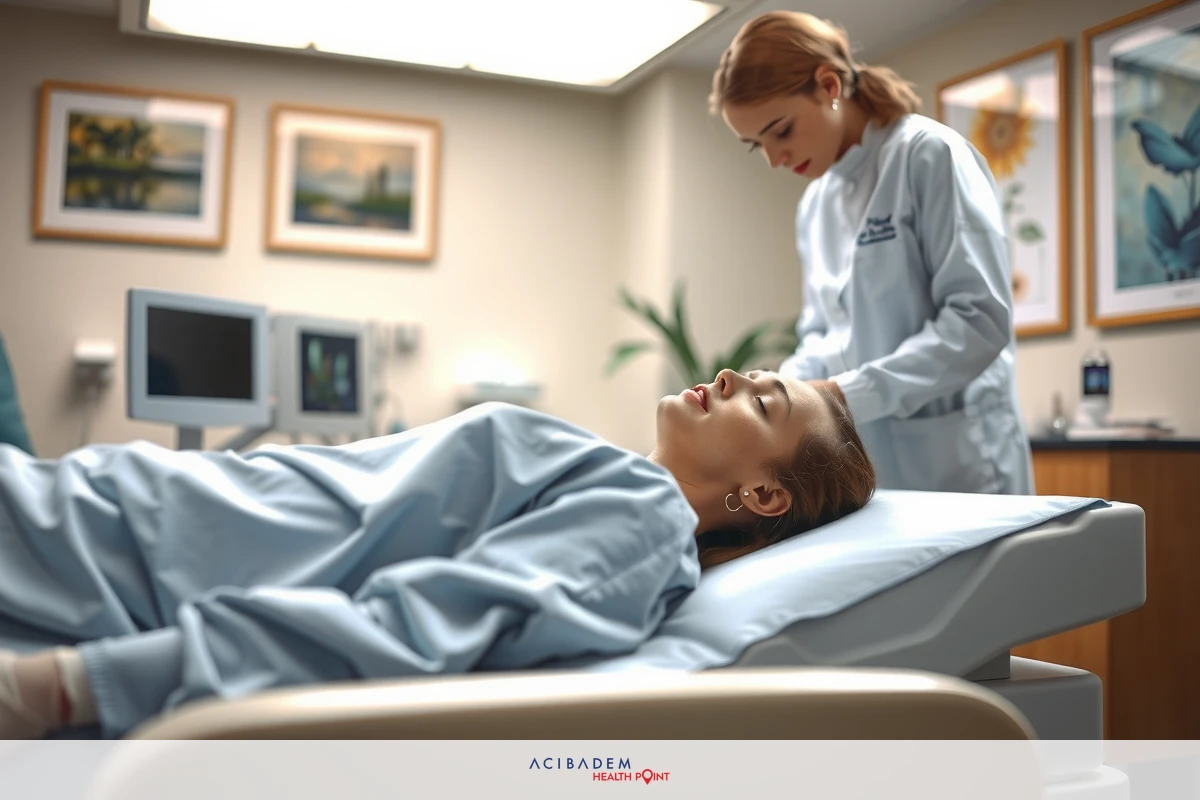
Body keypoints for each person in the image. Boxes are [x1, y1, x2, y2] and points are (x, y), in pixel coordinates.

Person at [0, 368, 875, 739]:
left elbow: (401, 634)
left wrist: (64, 687)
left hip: (102, 561)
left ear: (765, 496)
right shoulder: (616, 480)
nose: (727, 380)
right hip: (97, 523)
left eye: (762, 404)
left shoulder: (643, 522)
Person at [710, 11, 1035, 495]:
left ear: (828, 85)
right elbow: (822, 336)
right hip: (873, 464)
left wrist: (845, 396)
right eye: (757, 146)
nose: (775, 159)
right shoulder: (815, 206)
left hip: (961, 461)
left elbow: (978, 322)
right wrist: (776, 394)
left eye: (780, 131)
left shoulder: (927, 155)